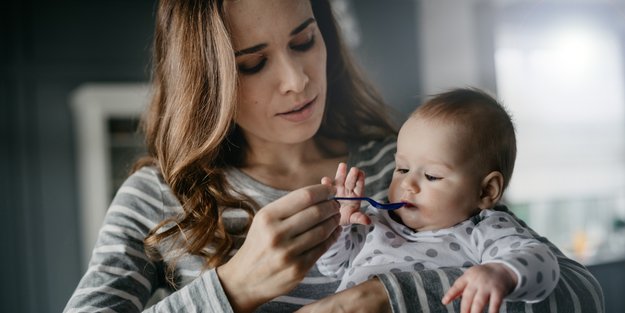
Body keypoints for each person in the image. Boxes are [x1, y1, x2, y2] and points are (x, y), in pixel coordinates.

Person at [64, 0, 604, 312]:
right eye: (253, 64)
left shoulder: (408, 164)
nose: (297, 81)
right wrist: (234, 288)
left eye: (304, 42)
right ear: (207, 80)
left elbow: (579, 295)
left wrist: (380, 299)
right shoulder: (158, 197)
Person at [318, 88, 559, 313]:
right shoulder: (372, 221)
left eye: (431, 176)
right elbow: (333, 268)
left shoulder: (483, 231)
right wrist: (339, 227)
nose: (408, 185)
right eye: (402, 169)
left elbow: (544, 263)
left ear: (486, 191)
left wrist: (502, 273)